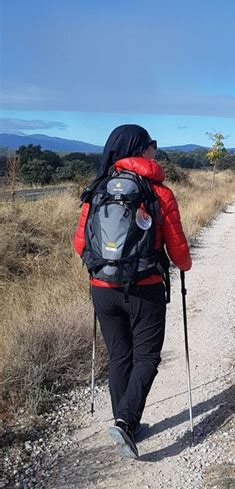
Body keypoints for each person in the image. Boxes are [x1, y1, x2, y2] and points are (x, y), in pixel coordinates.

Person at [74, 124, 192, 459]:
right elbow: (179, 253)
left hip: (103, 289)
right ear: (140, 149)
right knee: (147, 357)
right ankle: (126, 422)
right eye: (152, 144)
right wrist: (183, 265)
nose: (155, 149)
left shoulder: (97, 190)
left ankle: (123, 420)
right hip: (145, 289)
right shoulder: (160, 193)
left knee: (119, 355)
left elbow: (79, 244)